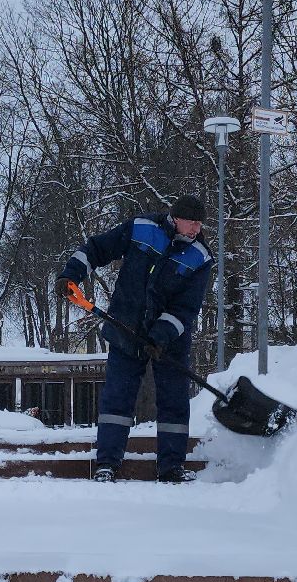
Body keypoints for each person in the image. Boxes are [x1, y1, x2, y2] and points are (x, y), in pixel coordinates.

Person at [57, 193, 211, 483]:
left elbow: (186, 308)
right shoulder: (142, 227)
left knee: (174, 401)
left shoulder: (200, 257)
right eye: (192, 222)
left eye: (200, 224)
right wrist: (71, 275)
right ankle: (107, 464)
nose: (196, 229)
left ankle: (171, 467)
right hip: (125, 327)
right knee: (117, 398)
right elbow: (97, 248)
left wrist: (160, 335)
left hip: (170, 340)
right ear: (176, 218)